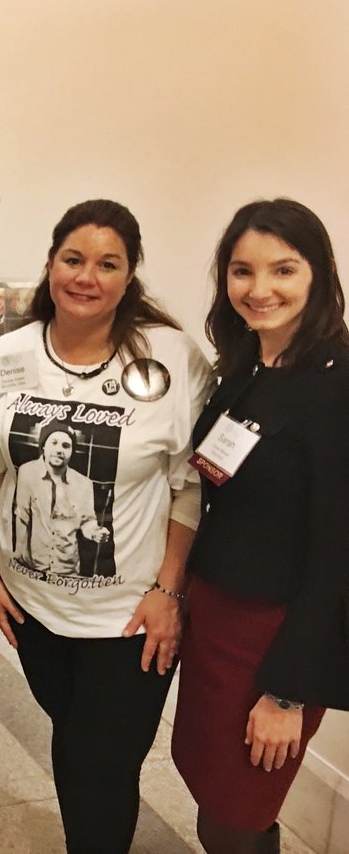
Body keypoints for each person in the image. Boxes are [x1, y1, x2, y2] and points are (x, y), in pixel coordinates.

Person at [0, 199, 211, 853]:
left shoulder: (171, 358)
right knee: (74, 742)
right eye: (73, 259)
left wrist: (169, 590)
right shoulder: (8, 355)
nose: (86, 277)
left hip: (128, 620)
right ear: (50, 264)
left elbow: (190, 485)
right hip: (33, 609)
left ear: (130, 276)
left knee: (103, 766)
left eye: (108, 264)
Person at [172, 199, 349, 854]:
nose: (260, 289)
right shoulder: (244, 367)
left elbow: (337, 554)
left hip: (273, 639)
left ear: (318, 275)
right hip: (214, 617)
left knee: (235, 813)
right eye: (242, 271)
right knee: (214, 791)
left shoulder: (336, 387)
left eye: (283, 269)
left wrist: (287, 692)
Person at [13, 420, 110, 576]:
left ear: (71, 451)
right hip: (32, 568)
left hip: (68, 571)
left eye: (66, 446)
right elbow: (22, 517)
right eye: (54, 443)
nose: (59, 450)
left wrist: (95, 532)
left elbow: (87, 522)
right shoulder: (27, 472)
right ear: (44, 446)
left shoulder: (84, 483)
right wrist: (21, 558)